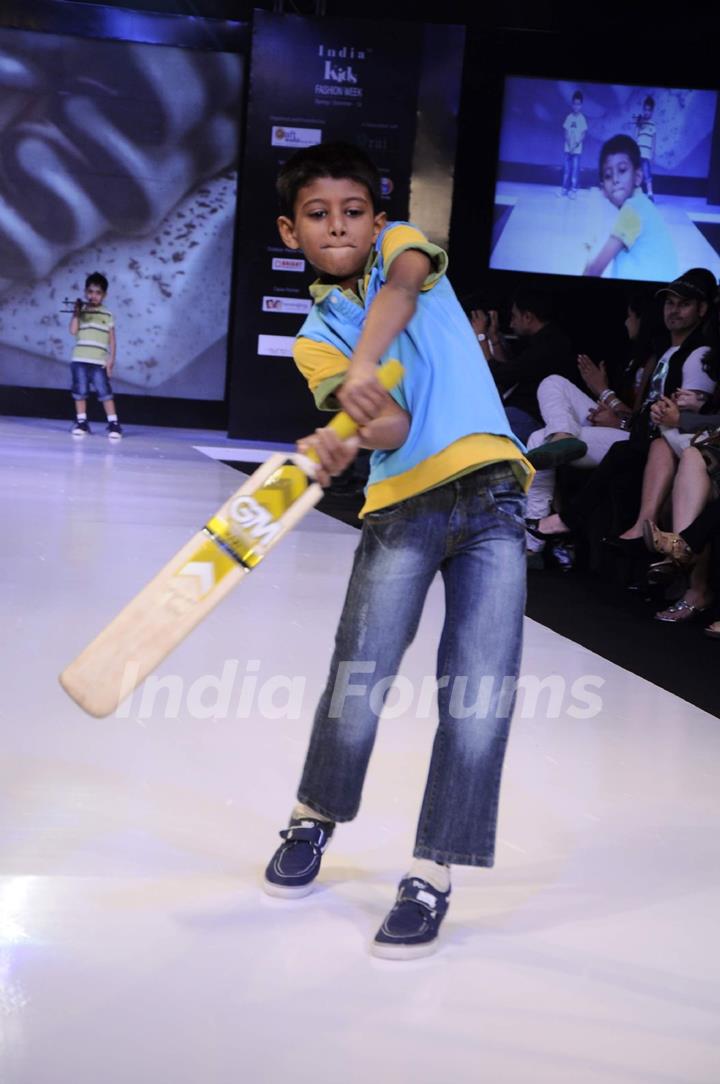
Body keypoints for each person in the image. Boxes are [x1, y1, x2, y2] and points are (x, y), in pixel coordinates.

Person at [263, 141, 533, 960]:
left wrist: (367, 368)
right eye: (317, 215)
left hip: (492, 500)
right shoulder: (315, 339)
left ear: (378, 219)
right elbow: (395, 428)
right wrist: (352, 429)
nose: (338, 226)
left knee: (478, 700)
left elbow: (405, 294)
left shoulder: (403, 254)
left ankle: (431, 872)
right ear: (290, 230)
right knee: (359, 681)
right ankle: (313, 818)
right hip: (401, 513)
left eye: (352, 211)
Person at [529, 268, 717, 547]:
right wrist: (615, 409)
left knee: (536, 439)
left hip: (652, 441)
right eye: (669, 303)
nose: (674, 311)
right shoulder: (666, 350)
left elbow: (684, 421)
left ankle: (538, 540)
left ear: (702, 309)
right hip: (634, 430)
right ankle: (562, 436)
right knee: (553, 382)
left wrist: (613, 412)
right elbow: (645, 414)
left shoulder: (698, 354)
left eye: (684, 304)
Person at [471, 288, 576, 444]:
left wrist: (481, 336)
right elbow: (509, 372)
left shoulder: (548, 346)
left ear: (528, 317)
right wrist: (493, 338)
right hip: (520, 411)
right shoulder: (541, 340)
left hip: (532, 417)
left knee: (475, 427)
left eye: (514, 316)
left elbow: (498, 374)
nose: (511, 323)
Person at [583, 134, 676, 281]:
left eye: (622, 170)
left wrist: (589, 248)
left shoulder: (633, 210)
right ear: (603, 189)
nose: (615, 179)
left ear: (638, 177)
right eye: (608, 175)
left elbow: (593, 272)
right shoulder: (643, 205)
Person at [69, 272, 122, 439]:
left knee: (104, 392)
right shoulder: (82, 311)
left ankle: (113, 423)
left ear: (104, 295)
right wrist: (76, 313)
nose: (94, 296)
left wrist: (111, 360)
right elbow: (72, 331)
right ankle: (82, 422)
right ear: (86, 292)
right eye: (90, 292)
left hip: (99, 360)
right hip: (80, 359)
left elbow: (112, 340)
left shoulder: (107, 314)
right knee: (80, 391)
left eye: (98, 293)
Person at [560, 91, 588, 199]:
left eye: (578, 104)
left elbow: (583, 135)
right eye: (574, 104)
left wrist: (575, 145)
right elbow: (565, 132)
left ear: (581, 105)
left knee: (575, 170)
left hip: (576, 151)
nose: (576, 106)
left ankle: (574, 190)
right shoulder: (569, 117)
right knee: (567, 170)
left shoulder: (582, 119)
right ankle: (564, 189)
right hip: (568, 149)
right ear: (572, 104)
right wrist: (569, 144)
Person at [633, 95, 656, 201]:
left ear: (652, 112)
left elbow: (653, 141)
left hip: (646, 154)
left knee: (647, 173)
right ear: (643, 109)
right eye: (645, 109)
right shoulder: (640, 123)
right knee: (637, 172)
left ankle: (650, 193)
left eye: (649, 110)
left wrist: (652, 154)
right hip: (638, 152)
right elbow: (635, 136)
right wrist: (638, 124)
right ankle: (634, 192)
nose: (647, 112)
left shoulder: (653, 125)